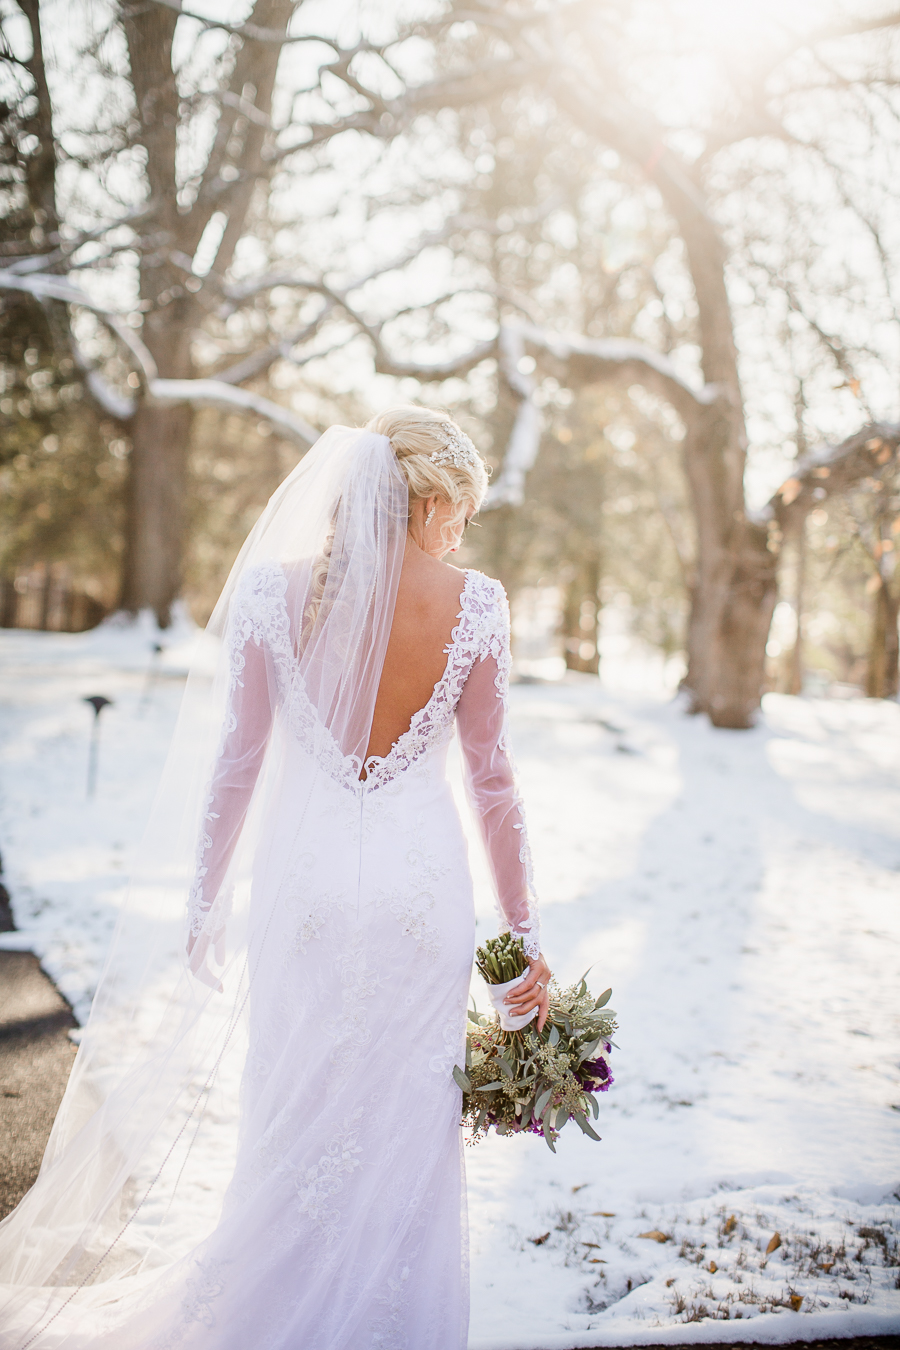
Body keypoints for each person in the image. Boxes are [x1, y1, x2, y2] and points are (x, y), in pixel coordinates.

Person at [0, 408, 550, 1350]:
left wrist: (206, 895)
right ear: (420, 501)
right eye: (457, 510)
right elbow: (493, 779)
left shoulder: (268, 593)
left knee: (293, 1103)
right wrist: (524, 931)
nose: (462, 534)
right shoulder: (477, 605)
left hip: (304, 891)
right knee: (410, 1124)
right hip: (423, 896)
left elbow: (237, 765)